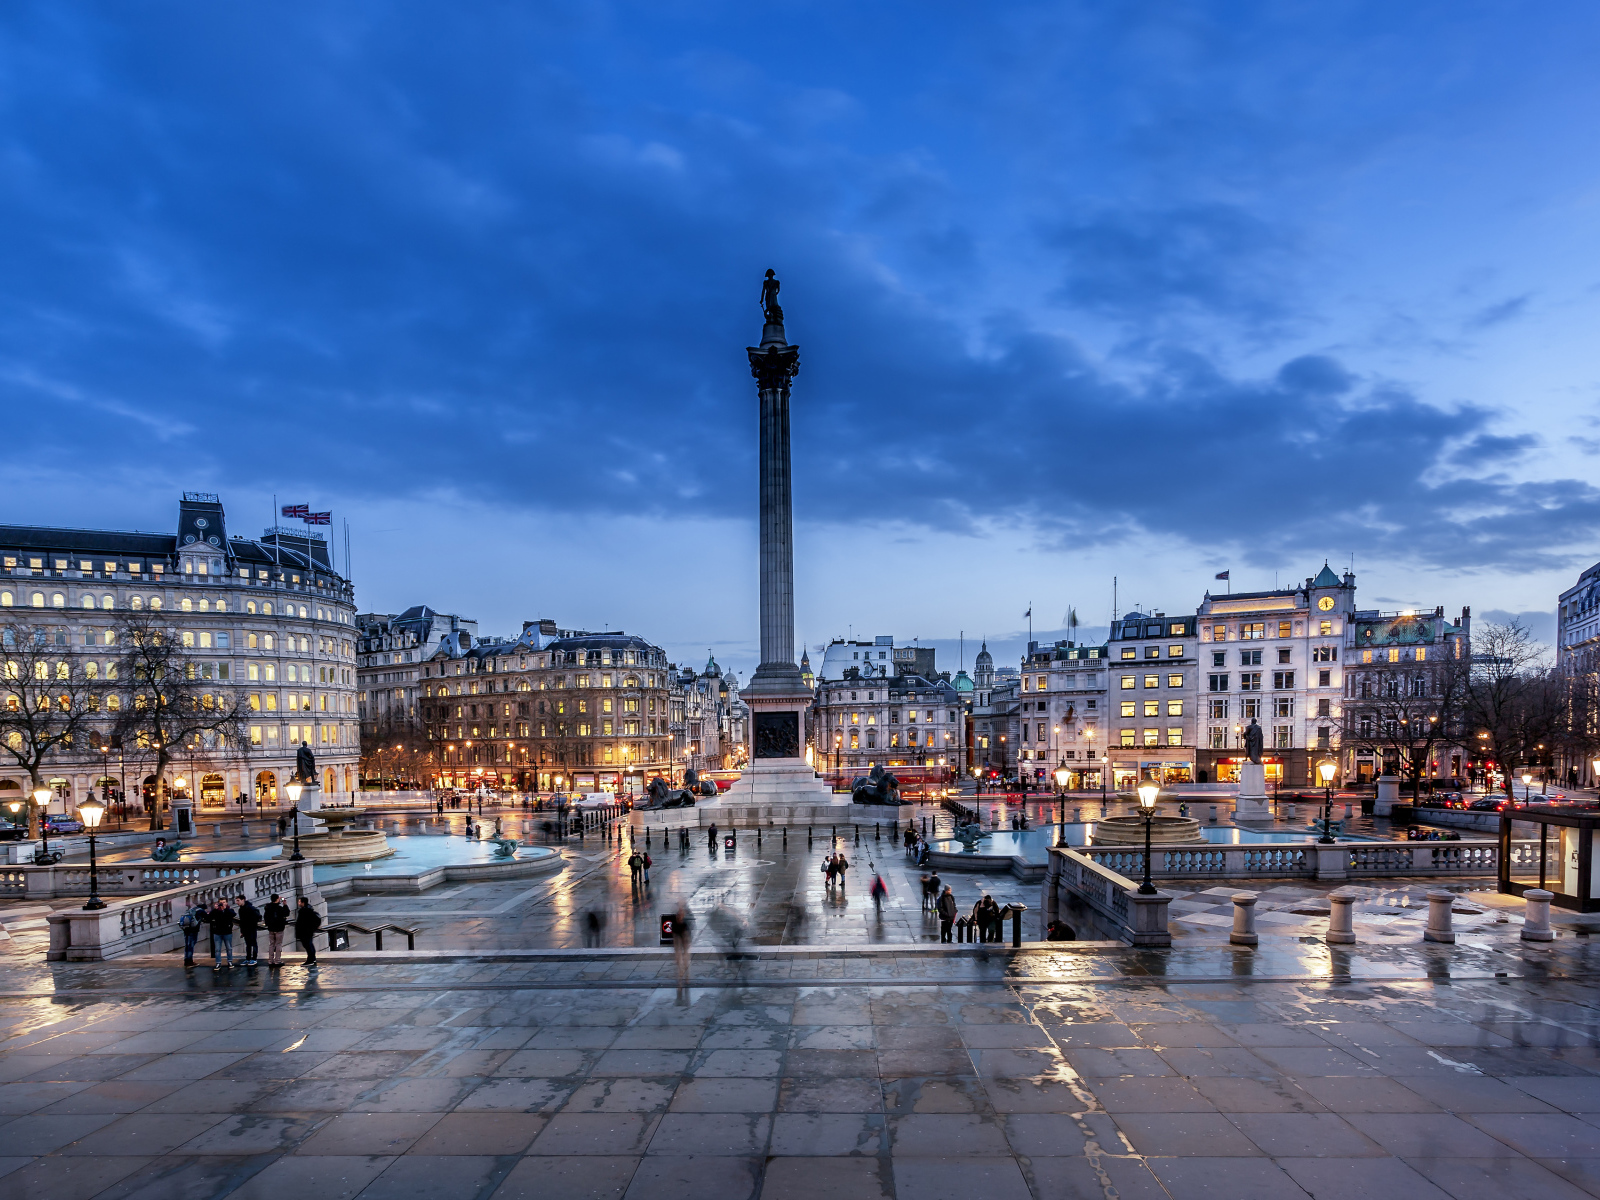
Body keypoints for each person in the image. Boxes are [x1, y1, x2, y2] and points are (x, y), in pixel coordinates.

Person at [293, 896, 322, 968]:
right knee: (309, 945)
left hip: (305, 931)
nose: (298, 903)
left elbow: (302, 923)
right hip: (308, 931)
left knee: (308, 946)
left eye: (299, 902)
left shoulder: (304, 911)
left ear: (303, 903)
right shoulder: (308, 909)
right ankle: (312, 959)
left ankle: (310, 960)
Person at [263, 893, 290, 967]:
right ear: (277, 899)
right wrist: (285, 904)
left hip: (271, 928)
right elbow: (286, 913)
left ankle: (270, 960)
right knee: (278, 944)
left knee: (271, 944)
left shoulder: (267, 907)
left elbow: (265, 917)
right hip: (279, 928)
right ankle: (277, 960)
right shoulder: (279, 908)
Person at [210, 899, 236, 970]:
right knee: (217, 949)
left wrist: (225, 908)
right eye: (221, 903)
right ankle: (218, 963)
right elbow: (209, 917)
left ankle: (230, 961)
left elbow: (233, 914)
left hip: (227, 932)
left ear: (226, 903)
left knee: (229, 948)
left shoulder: (229, 910)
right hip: (217, 932)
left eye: (224, 902)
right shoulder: (216, 911)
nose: (222, 904)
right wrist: (215, 909)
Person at [237, 896, 261, 966]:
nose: (237, 902)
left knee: (253, 943)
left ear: (243, 900)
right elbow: (241, 921)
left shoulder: (250, 908)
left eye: (238, 901)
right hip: (246, 929)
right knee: (248, 944)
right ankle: (248, 958)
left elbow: (258, 917)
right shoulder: (241, 909)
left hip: (251, 928)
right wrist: (242, 931)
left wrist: (253, 923)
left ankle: (254, 958)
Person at [179, 901, 203, 967]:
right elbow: (207, 917)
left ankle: (186, 960)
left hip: (186, 930)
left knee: (187, 946)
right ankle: (190, 962)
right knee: (191, 946)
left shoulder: (190, 910)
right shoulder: (201, 911)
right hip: (193, 931)